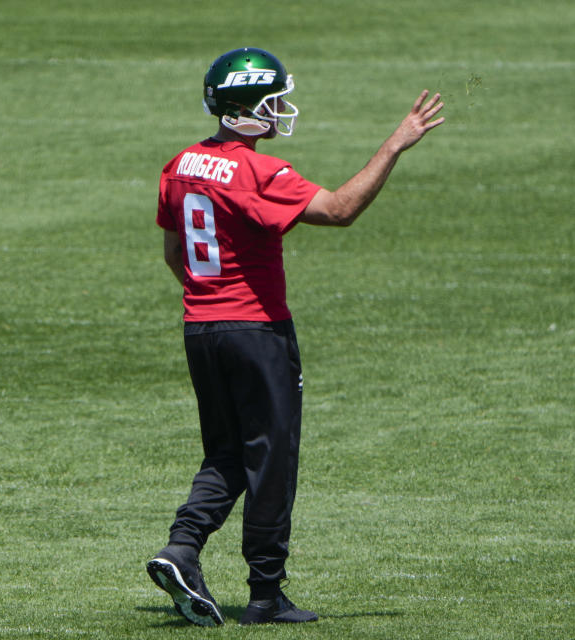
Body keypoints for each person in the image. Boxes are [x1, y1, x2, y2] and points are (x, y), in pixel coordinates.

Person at [145, 46, 444, 626]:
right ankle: (265, 595)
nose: (281, 109)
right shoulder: (259, 171)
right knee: (270, 460)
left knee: (227, 452)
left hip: (200, 326)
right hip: (257, 332)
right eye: (272, 100)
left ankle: (181, 548)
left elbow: (174, 254)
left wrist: (213, 301)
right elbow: (340, 210)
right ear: (246, 108)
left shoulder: (179, 164)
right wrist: (396, 143)